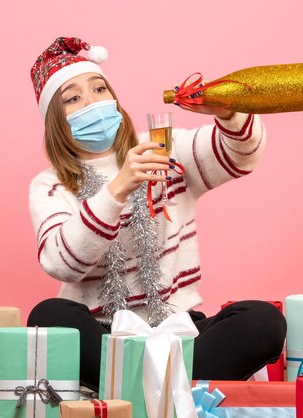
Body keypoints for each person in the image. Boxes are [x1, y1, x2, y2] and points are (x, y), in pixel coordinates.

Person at [27, 36, 286, 391]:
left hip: (182, 331)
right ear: (56, 121)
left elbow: (240, 156)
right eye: (73, 98)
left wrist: (227, 113)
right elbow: (60, 263)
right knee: (47, 317)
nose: (92, 102)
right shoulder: (51, 185)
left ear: (115, 100)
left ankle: (133, 388)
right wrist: (118, 187)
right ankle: (172, 388)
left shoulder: (163, 148)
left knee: (264, 320)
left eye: (100, 89)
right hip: (105, 335)